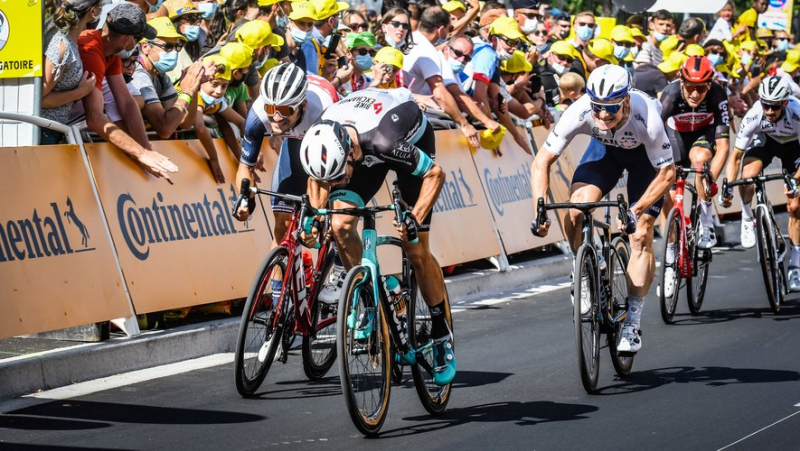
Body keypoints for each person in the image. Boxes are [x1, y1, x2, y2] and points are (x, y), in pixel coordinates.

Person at [298, 87, 456, 385]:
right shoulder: (323, 136)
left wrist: (414, 217)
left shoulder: (385, 142)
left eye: (338, 176)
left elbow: (436, 174)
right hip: (360, 134)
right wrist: (315, 220)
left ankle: (440, 332)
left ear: (350, 153)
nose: (335, 183)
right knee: (341, 224)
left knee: (416, 250)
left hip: (404, 137)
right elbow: (316, 178)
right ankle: (366, 299)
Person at [531, 65, 676, 353]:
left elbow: (667, 174)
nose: (603, 115)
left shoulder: (646, 115)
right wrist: (539, 207)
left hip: (645, 162)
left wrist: (638, 210)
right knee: (575, 208)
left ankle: (633, 321)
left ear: (626, 99)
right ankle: (585, 271)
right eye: (598, 108)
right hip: (605, 153)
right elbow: (542, 161)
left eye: (611, 108)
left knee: (640, 234)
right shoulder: (580, 110)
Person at [235, 63, 340, 300]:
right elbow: (245, 166)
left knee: (335, 222)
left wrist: (316, 214)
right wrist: (243, 199)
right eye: (272, 108)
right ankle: (277, 305)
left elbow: (323, 174)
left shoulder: (324, 107)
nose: (277, 116)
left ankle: (339, 272)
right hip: (296, 141)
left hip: (329, 145)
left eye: (285, 109)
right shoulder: (261, 112)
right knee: (282, 226)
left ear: (302, 105)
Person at [78, 3, 178, 182]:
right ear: (128, 40)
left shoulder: (110, 52)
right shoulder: (91, 51)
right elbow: (95, 118)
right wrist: (140, 154)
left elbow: (126, 102)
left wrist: (147, 151)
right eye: (139, 40)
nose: (138, 46)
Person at [721, 76, 800, 291]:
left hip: (795, 147)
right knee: (747, 176)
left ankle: (795, 263)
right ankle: (748, 216)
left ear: (785, 102)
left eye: (774, 107)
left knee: (795, 207)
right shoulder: (756, 113)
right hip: (766, 142)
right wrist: (728, 184)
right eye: (766, 105)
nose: (769, 111)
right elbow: (735, 156)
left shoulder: (797, 112)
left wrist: (794, 182)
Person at [660, 56, 729, 255]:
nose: (695, 93)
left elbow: (723, 146)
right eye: (690, 87)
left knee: (699, 161)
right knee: (668, 199)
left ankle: (706, 219)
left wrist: (711, 180)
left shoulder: (718, 94)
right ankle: (671, 251)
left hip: (703, 134)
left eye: (701, 88)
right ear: (681, 82)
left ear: (710, 84)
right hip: (676, 136)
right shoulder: (670, 95)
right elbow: (654, 135)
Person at [402, 7, 480, 149]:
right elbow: (440, 94)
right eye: (450, 28)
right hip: (413, 118)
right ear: (441, 29)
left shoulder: (410, 38)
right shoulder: (427, 50)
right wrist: (464, 124)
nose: (450, 32)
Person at [133, 17, 207, 139]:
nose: (174, 52)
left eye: (176, 47)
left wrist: (194, 87)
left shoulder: (160, 76)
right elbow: (165, 128)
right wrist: (187, 92)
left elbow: (185, 122)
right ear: (145, 46)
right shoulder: (138, 75)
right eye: (167, 47)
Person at [41, 0, 103, 145]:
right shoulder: (62, 46)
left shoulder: (68, 40)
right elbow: (40, 99)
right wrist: (80, 92)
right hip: (44, 133)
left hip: (52, 131)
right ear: (93, 12)